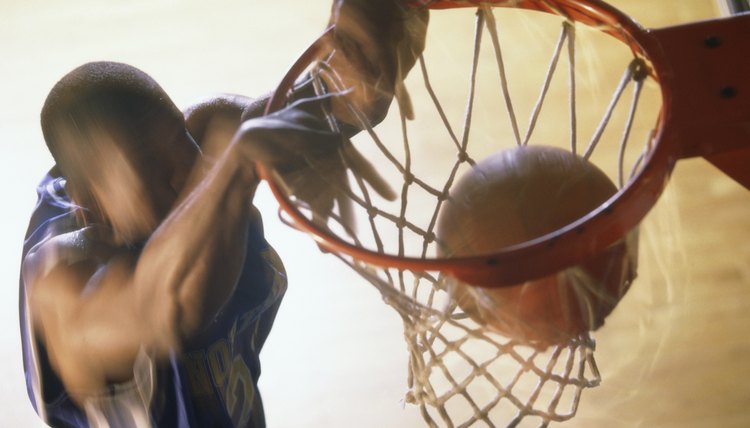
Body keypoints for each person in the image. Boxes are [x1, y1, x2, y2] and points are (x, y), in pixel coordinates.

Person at [18, 2, 428, 427]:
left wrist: (371, 43)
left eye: (180, 137)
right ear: (94, 207)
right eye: (152, 167)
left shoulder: (210, 138)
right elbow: (164, 307)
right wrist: (237, 165)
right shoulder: (62, 286)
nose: (184, 172)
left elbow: (337, 102)